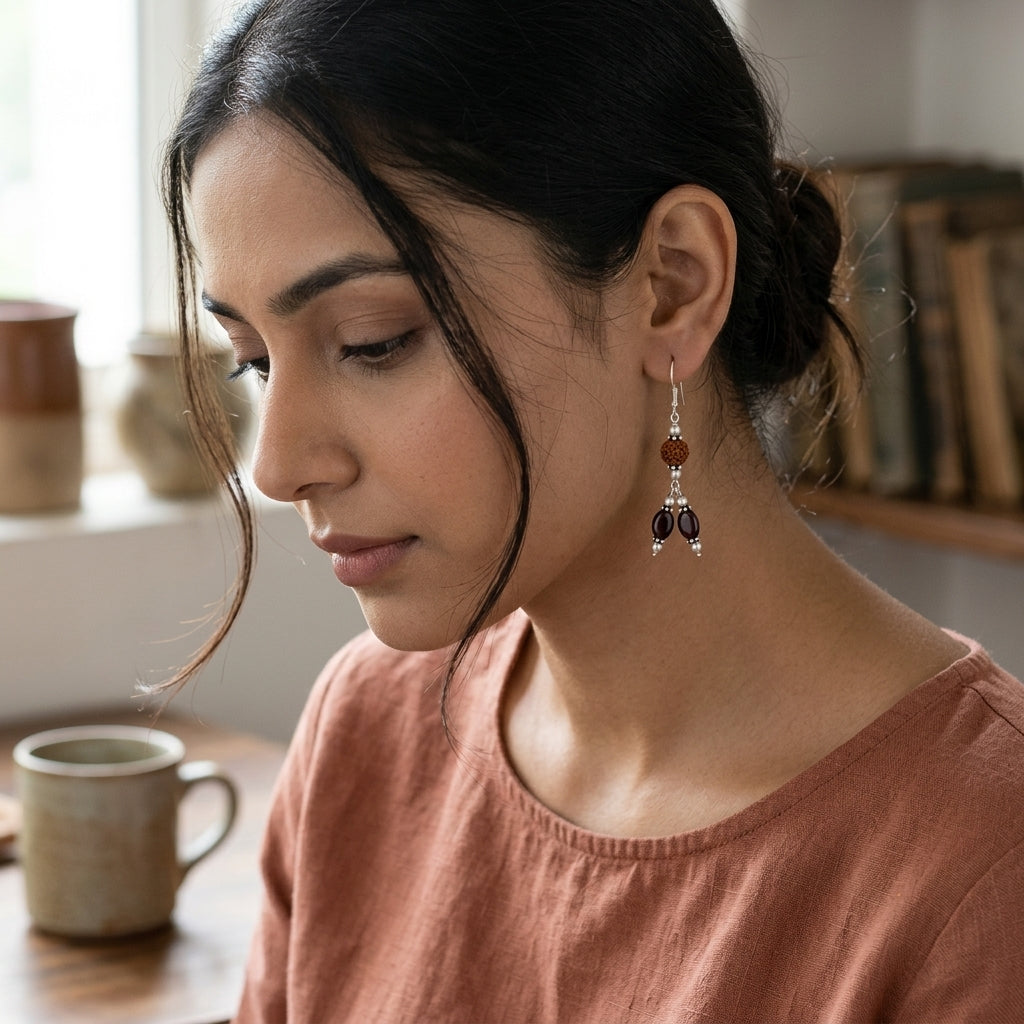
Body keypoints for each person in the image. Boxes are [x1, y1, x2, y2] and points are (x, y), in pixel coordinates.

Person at [162, 1, 1024, 1020]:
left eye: (373, 339)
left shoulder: (982, 871)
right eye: (254, 361)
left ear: (672, 285)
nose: (278, 464)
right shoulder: (367, 728)